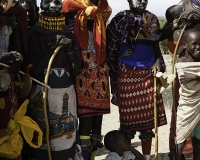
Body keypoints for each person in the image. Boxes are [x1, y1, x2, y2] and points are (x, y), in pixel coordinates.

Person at [106, 0, 167, 159]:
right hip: (126, 75)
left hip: (149, 74)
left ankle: (145, 157)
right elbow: (111, 50)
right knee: (127, 125)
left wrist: (159, 62)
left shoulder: (152, 19)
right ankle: (129, 157)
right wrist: (114, 81)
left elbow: (155, 45)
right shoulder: (119, 20)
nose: (141, 1)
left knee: (148, 125)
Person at [26, 0, 82, 159]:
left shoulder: (70, 35)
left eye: (56, 1)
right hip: (41, 94)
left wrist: (69, 48)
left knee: (65, 138)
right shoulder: (33, 36)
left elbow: (76, 69)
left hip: (66, 94)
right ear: (40, 6)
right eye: (47, 2)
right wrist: (52, 48)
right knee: (42, 138)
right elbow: (33, 72)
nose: (52, 6)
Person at [62, 0, 111, 159]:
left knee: (98, 120)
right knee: (85, 119)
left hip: (100, 68)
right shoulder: (71, 5)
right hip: (81, 67)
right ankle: (82, 156)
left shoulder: (104, 10)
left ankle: (92, 155)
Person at [161, 1, 200, 159]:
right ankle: (178, 154)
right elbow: (162, 34)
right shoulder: (182, 6)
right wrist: (177, 22)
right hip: (185, 68)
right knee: (181, 112)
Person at [0, 3, 28, 160]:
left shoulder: (15, 13)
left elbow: (19, 51)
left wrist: (17, 57)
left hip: (7, 83)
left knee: (10, 129)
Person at [175, 29, 200, 160]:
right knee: (180, 141)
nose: (198, 47)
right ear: (185, 45)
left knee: (198, 142)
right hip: (186, 107)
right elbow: (183, 79)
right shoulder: (181, 64)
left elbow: (191, 78)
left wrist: (196, 76)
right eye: (194, 44)